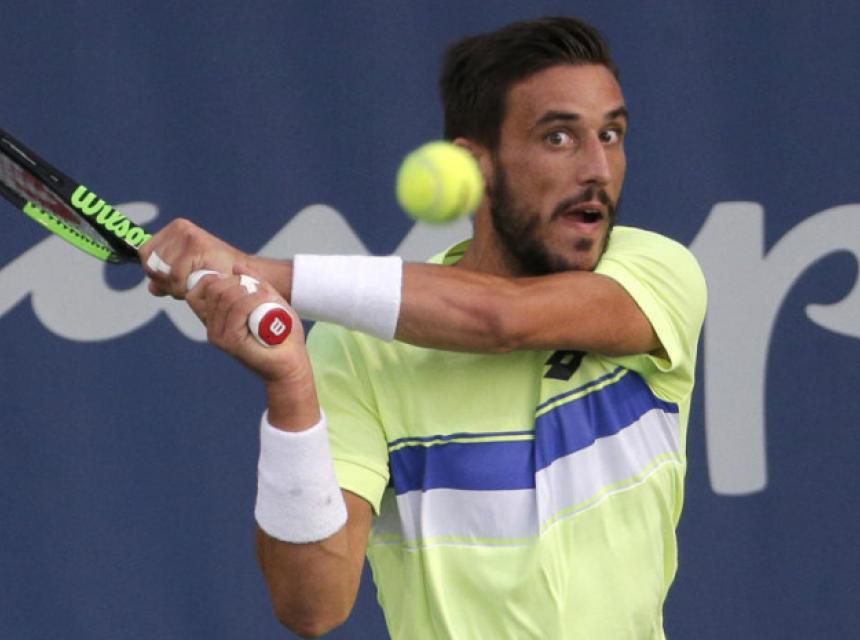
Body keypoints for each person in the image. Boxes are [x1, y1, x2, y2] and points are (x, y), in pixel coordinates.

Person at [141, 16, 707, 640]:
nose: (598, 167)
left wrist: (259, 272)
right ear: (476, 165)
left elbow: (500, 320)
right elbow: (312, 607)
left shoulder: (656, 273)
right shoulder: (358, 349)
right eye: (559, 138)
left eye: (611, 134)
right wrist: (291, 387)